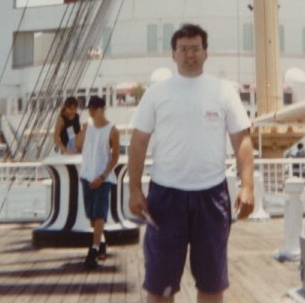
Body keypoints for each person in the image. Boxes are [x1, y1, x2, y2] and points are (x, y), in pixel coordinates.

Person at [128, 23, 255, 303]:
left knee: (211, 284)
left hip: (211, 197)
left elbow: (242, 141)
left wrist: (248, 186)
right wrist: (134, 189)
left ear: (206, 53)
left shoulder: (223, 91)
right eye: (183, 49)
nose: (190, 55)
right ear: (173, 54)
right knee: (160, 285)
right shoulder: (156, 93)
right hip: (165, 198)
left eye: (195, 49)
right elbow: (138, 143)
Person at [75, 95, 120, 269]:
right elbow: (78, 145)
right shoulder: (88, 127)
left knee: (100, 214)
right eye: (89, 109)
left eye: (93, 108)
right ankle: (100, 243)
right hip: (87, 176)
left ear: (101, 109)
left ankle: (93, 251)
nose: (90, 112)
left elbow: (115, 157)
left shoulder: (112, 130)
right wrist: (84, 130)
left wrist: (102, 177)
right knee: (92, 217)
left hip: (103, 179)